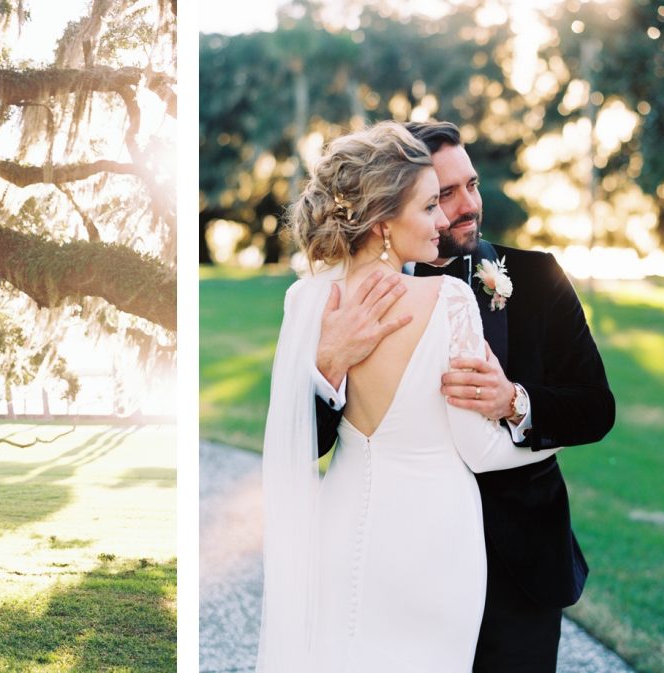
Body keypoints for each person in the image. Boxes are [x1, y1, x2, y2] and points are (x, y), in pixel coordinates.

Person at [256, 121, 570, 673]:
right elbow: (479, 449)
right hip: (436, 542)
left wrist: (520, 398)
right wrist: (538, 435)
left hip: (343, 524)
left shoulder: (303, 299)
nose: (446, 218)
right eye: (431, 206)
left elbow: (286, 436)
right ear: (382, 223)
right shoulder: (448, 298)